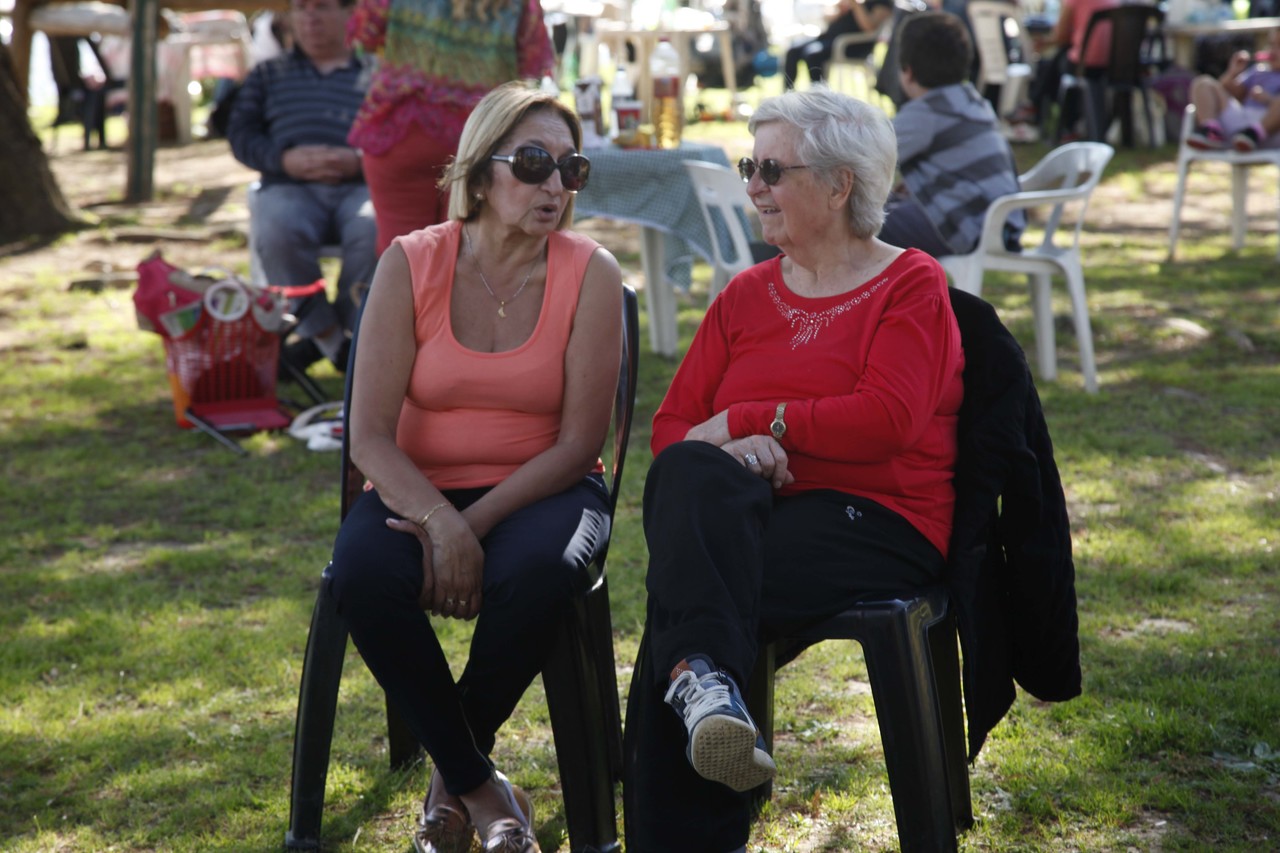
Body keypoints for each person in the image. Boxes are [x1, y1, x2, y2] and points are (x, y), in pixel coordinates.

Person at [622, 86, 965, 853]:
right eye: (749, 167)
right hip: (759, 514)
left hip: (878, 518)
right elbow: (674, 433)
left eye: (772, 170)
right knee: (694, 509)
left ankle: (692, 724)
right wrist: (730, 448)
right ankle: (706, 688)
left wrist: (754, 420)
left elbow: (888, 418)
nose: (753, 186)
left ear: (840, 185)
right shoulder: (744, 295)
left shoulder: (910, 282)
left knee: (685, 604)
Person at [326, 81, 622, 853]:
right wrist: (437, 518)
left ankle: (447, 784)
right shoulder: (410, 262)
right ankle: (486, 790)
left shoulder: (591, 272)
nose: (555, 186)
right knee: (363, 575)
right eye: (533, 163)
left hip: (549, 486)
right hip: (415, 484)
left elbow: (577, 443)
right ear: (480, 172)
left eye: (571, 168)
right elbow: (368, 436)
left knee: (539, 572)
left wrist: (468, 526)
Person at [227, 0, 377, 372]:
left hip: (362, 186)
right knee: (277, 230)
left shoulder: (377, 74)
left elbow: (401, 135)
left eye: (322, 7)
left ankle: (337, 335)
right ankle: (333, 343)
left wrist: (360, 160)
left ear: (348, 14)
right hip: (288, 186)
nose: (310, 17)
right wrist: (283, 160)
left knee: (376, 231)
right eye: (301, 8)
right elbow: (241, 135)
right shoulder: (267, 74)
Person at [345, 0, 557, 252]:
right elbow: (532, 62)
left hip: (400, 131)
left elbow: (364, 33)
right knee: (466, 258)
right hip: (479, 139)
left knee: (402, 255)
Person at [879, 11, 1025, 257]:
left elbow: (865, 153)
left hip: (966, 226)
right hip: (999, 224)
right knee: (883, 210)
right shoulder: (971, 100)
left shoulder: (927, 113)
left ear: (908, 71)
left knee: (856, 225)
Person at [1024, 0, 1117, 134]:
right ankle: (1039, 106)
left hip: (1085, 64)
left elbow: (1061, 35)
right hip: (1112, 64)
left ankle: (1038, 107)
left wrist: (1044, 43)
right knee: (1060, 58)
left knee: (1052, 64)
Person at [1186, 28, 1280, 152]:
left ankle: (1256, 133)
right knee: (1203, 83)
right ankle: (1211, 129)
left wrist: (1268, 99)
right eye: (1271, 45)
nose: (1273, 50)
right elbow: (1226, 92)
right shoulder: (1258, 71)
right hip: (1240, 125)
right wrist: (1232, 72)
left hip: (1271, 132)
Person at [783, 0, 893, 90]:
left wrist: (855, 5)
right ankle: (787, 93)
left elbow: (869, 27)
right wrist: (840, 10)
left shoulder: (882, 3)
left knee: (812, 54)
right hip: (828, 37)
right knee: (793, 51)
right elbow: (827, 17)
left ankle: (818, 96)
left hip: (851, 44)